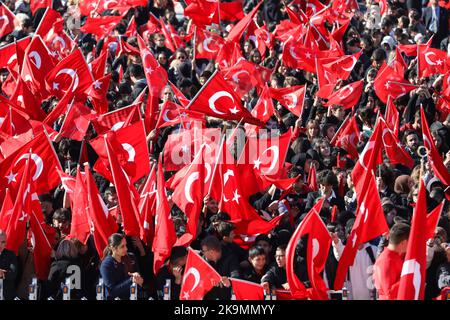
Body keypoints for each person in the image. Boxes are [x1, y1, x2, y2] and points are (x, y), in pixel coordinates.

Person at [100, 233, 144, 300]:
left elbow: (139, 280)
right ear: (113, 248)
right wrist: (131, 280)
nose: (126, 248)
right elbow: (111, 291)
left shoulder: (131, 257)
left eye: (126, 245)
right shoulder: (106, 265)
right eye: (122, 246)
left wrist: (139, 280)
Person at [373, 223, 410, 300]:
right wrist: (408, 277)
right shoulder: (386, 260)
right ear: (403, 243)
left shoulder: (394, 256)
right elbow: (389, 293)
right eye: (410, 242)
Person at [201, 235, 240, 300]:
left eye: (203, 251)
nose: (203, 253)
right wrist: (209, 279)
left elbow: (236, 276)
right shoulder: (203, 260)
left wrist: (229, 281)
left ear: (211, 252)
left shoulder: (231, 258)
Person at [0, 230, 18, 300]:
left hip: (6, 294)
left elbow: (13, 273)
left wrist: (2, 274)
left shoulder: (11, 255)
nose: (0, 245)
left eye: (3, 242)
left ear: (6, 243)